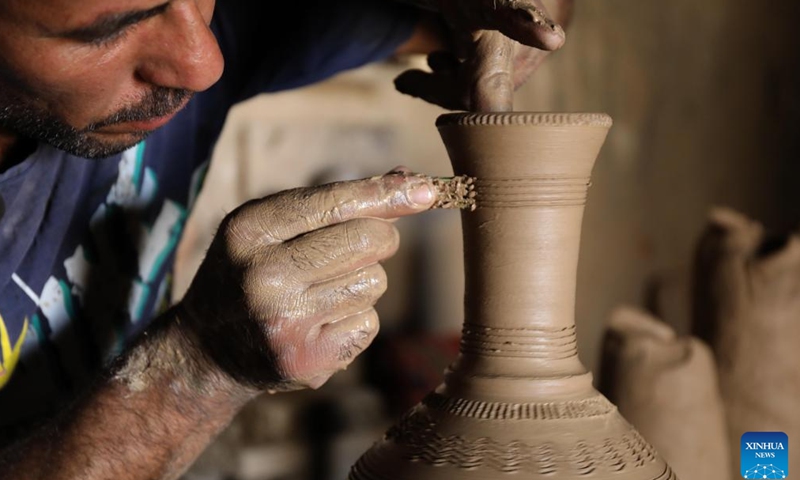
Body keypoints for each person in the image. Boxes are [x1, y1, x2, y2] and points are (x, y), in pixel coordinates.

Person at [0, 0, 567, 477]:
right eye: (108, 31)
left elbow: (527, 17)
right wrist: (196, 368)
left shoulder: (206, 24)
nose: (203, 65)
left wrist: (512, 19)